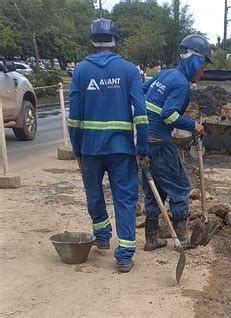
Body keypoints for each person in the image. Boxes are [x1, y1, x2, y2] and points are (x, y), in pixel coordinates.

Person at [68, 18, 149, 273]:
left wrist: (77, 150)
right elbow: (142, 114)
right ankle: (124, 255)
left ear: (92, 41)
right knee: (125, 200)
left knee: (94, 193)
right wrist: (143, 148)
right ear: (116, 41)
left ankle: (102, 236)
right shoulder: (128, 70)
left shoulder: (81, 70)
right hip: (121, 150)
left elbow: (74, 118)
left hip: (90, 149)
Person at [141, 34, 211, 250]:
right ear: (195, 61)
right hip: (160, 141)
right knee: (181, 187)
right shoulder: (181, 84)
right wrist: (194, 125)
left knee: (156, 190)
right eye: (203, 67)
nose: (203, 72)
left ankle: (152, 239)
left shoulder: (166, 75)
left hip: (145, 140)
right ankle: (182, 237)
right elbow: (169, 115)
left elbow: (142, 92)